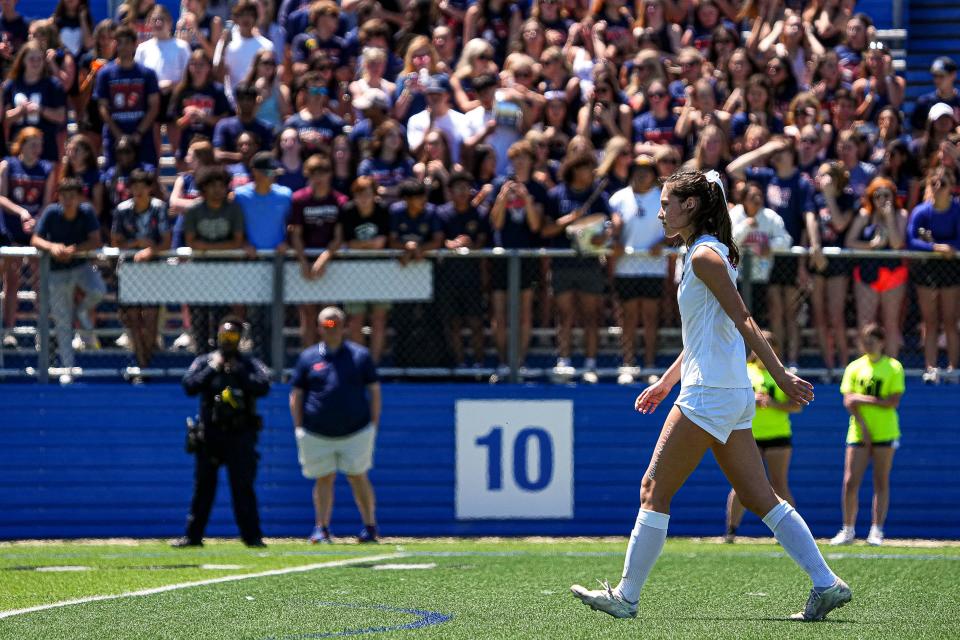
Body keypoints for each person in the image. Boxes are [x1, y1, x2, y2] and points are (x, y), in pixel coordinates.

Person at [570, 169, 850, 622]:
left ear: (692, 206)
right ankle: (826, 583)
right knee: (762, 499)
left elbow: (744, 321)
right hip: (726, 390)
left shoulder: (704, 257)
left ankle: (626, 596)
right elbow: (706, 334)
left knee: (653, 489)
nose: (660, 212)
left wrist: (780, 376)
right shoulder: (703, 253)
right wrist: (666, 382)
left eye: (667, 204)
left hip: (711, 393)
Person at [174, 315, 271, 548]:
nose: (227, 340)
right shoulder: (205, 361)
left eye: (232, 335)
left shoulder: (248, 364)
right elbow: (189, 385)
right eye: (224, 335)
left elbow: (262, 386)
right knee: (203, 488)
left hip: (240, 436)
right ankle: (193, 536)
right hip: (210, 435)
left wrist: (237, 372)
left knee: (243, 488)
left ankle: (252, 537)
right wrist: (214, 367)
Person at [289, 306, 382, 544]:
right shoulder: (308, 357)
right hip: (317, 432)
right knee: (324, 477)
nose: (331, 329)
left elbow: (374, 391)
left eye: (336, 324)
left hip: (356, 431)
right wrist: (298, 426)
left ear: (345, 326)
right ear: (319, 328)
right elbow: (297, 394)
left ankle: (370, 527)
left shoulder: (360, 356)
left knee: (358, 476)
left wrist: (373, 423)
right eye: (326, 325)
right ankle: (322, 528)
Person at [830, 323, 905, 547]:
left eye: (873, 341)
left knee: (880, 481)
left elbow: (892, 401)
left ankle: (876, 530)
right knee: (850, 481)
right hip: (858, 432)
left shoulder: (893, 367)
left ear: (882, 342)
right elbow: (847, 401)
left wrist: (862, 399)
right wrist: (863, 425)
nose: (869, 345)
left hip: (885, 432)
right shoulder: (854, 367)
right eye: (865, 341)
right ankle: (848, 529)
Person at [725, 330, 802, 543]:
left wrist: (774, 404)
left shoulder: (781, 373)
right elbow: (730, 401)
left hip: (778, 435)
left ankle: (791, 534)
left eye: (769, 346)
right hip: (749, 435)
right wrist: (752, 401)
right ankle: (731, 531)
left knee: (779, 484)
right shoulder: (742, 370)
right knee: (742, 484)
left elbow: (796, 407)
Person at [29, 178, 106, 385]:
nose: (69, 200)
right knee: (62, 322)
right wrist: (52, 247)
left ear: (80, 197)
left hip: (80, 267)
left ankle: (81, 312)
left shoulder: (87, 212)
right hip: (56, 272)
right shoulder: (51, 212)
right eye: (64, 195)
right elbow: (35, 239)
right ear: (58, 197)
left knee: (98, 290)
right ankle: (68, 368)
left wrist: (74, 250)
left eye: (73, 195)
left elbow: (95, 240)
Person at [609, 156, 668, 384]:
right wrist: (614, 242)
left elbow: (674, 231)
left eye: (647, 170)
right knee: (629, 318)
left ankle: (650, 365)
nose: (641, 174)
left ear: (654, 174)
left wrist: (661, 244)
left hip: (654, 268)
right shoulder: (618, 198)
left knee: (651, 318)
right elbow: (608, 231)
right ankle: (629, 364)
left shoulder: (663, 198)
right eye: (637, 169)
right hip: (626, 269)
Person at [110, 168, 170, 381]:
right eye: (134, 186)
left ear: (149, 188)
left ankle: (145, 365)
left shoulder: (159, 208)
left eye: (142, 186)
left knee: (151, 318)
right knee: (134, 319)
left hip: (153, 270)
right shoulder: (122, 210)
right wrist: (137, 245)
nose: (138, 190)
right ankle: (143, 366)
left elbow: (166, 241)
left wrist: (150, 251)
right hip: (128, 270)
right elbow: (115, 240)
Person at [183, 165, 249, 352]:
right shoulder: (194, 210)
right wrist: (220, 247)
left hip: (226, 274)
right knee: (200, 317)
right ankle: (202, 357)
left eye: (221, 185)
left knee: (223, 317)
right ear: (203, 187)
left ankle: (226, 354)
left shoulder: (233, 210)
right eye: (212, 186)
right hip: (199, 273)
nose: (217, 190)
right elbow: (191, 241)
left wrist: (207, 248)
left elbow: (237, 241)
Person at [289, 153, 345, 347]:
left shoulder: (339, 200)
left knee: (329, 315)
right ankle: (310, 358)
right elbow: (295, 234)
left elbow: (339, 238)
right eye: (314, 174)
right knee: (308, 315)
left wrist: (324, 260)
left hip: (331, 267)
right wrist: (304, 262)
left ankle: (330, 354)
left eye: (323, 173)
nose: (319, 178)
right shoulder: (299, 200)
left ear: (330, 174)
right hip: (305, 264)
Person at [93, 24, 160, 167]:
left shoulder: (147, 74)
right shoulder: (105, 73)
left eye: (127, 42)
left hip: (142, 136)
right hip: (114, 136)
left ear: (135, 44)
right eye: (120, 42)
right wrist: (118, 135)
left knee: (147, 178)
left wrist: (139, 133)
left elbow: (154, 105)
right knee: (115, 180)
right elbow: (103, 108)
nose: (123, 47)